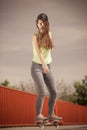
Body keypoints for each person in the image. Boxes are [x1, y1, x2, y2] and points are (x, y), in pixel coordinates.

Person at [31, 13, 62, 121]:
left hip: (47, 66)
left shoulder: (49, 34)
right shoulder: (35, 36)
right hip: (37, 67)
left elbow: (48, 50)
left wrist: (47, 65)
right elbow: (39, 52)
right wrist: (44, 65)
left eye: (43, 23)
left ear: (46, 23)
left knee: (54, 92)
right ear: (37, 23)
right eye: (39, 23)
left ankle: (50, 114)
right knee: (42, 92)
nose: (41, 25)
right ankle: (38, 115)